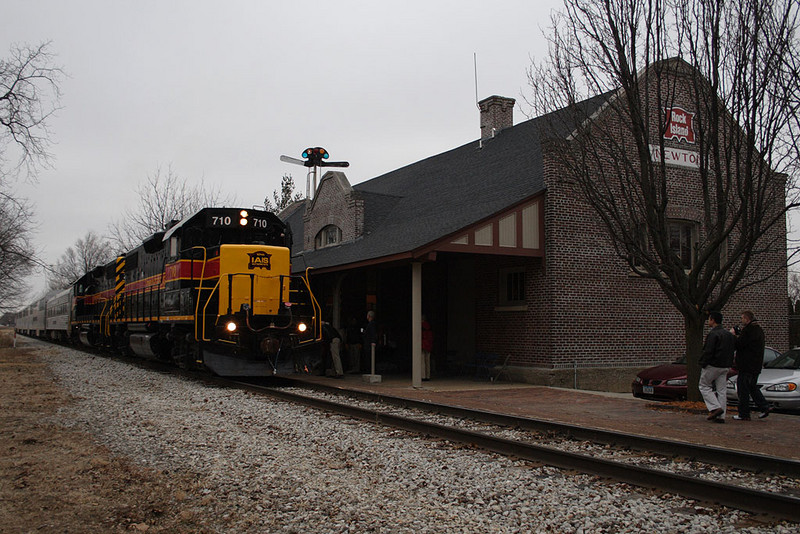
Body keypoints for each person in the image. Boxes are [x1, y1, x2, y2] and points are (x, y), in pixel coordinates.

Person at [731, 311, 770, 420]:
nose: (741, 321)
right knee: (752, 387)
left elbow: (739, 345)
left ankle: (744, 413)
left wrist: (734, 336)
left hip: (746, 365)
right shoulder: (758, 330)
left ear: (747, 319)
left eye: (742, 318)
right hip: (756, 365)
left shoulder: (748, 331)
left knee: (743, 389)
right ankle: (764, 406)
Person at [699, 311, 736, 423]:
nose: (708, 321)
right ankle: (721, 416)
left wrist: (703, 363)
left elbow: (708, 351)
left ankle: (715, 408)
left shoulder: (713, 334)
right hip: (725, 366)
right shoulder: (729, 335)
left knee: (704, 386)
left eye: (709, 319)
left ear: (713, 320)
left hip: (713, 364)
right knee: (722, 390)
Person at [421, 314, 433, 381]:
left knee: (422, 361)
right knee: (427, 361)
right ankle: (428, 375)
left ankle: (423, 376)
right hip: (429, 344)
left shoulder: (421, 326)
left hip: (423, 344)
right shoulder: (429, 326)